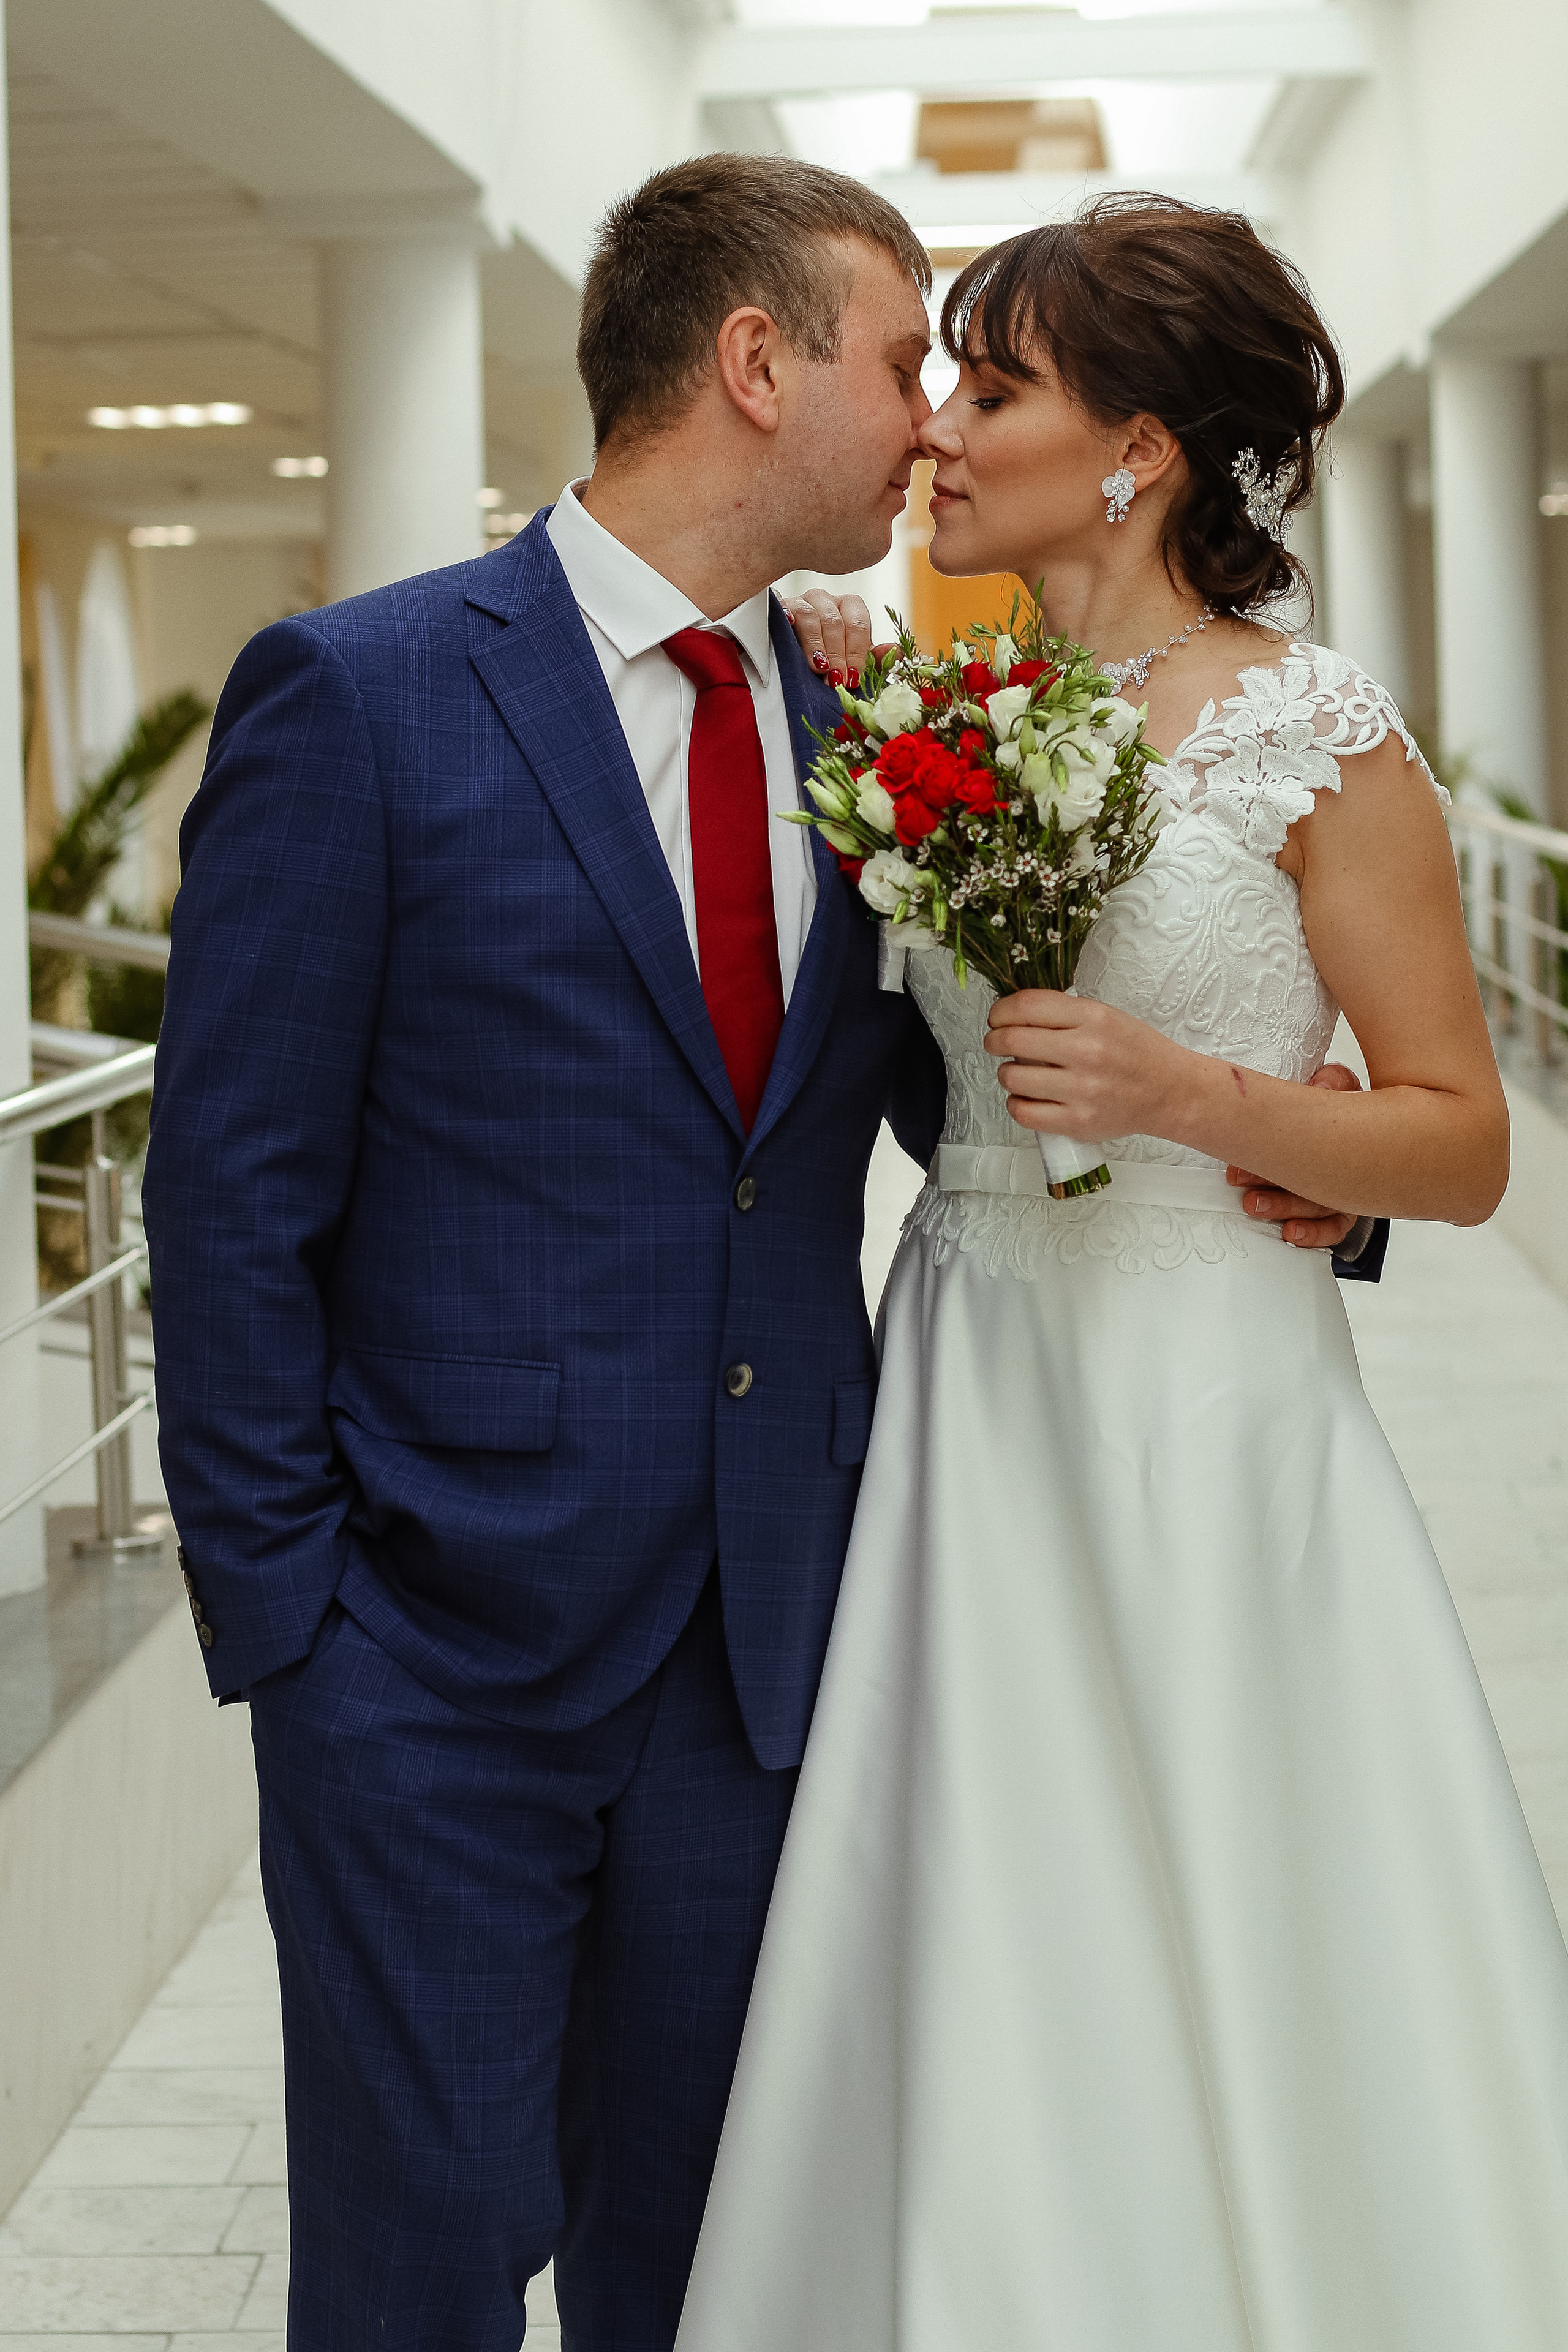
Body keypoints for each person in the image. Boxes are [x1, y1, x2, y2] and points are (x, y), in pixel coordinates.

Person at [144, 159, 1366, 2348]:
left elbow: (967, 1097)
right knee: (415, 2280)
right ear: (755, 359)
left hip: (772, 1662)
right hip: (425, 1672)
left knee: (712, 2282)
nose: (928, 420)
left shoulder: (872, 734)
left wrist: (1295, 1171)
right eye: (906, 359)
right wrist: (297, 1639)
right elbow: (231, 1198)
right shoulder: (364, 693)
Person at [677, 197, 1568, 2351]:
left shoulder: (1313, 733)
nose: (940, 432)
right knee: (982, 1903)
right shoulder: (940, 713)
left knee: (1235, 1894)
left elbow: (1462, 1139)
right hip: (971, 1384)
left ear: (1139, 447)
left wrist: (1206, 1103)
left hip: (1208, 1403)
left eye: (992, 389)